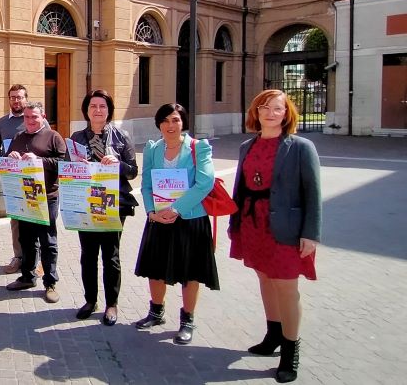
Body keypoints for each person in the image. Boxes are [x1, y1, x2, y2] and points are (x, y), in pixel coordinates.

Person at [229, 90, 321, 383]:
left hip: (286, 228)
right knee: (265, 279)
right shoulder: (247, 146)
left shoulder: (300, 147)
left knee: (286, 288)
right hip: (253, 223)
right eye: (264, 107)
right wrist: (235, 223)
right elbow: (240, 188)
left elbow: (313, 194)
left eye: (277, 108)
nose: (270, 113)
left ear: (286, 113)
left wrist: (310, 234)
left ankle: (290, 351)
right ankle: (273, 335)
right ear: (256, 112)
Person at [134, 103, 218, 345]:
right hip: (159, 219)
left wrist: (176, 209)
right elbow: (147, 182)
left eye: (175, 120)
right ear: (159, 124)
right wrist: (151, 211)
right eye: (165, 121)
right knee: (155, 268)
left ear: (183, 122)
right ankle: (156, 312)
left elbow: (205, 183)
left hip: (190, 219)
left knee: (190, 273)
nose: (170, 126)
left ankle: (187, 320)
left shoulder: (198, 147)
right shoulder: (152, 149)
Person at [69, 90, 139, 326]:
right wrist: (76, 165)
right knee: (88, 255)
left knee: (111, 256)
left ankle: (112, 304)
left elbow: (133, 171)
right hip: (86, 203)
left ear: (109, 110)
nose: (97, 110)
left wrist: (117, 164)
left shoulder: (121, 136)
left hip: (113, 205)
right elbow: (66, 168)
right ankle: (90, 300)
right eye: (93, 106)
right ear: (86, 110)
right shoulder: (77, 138)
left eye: (102, 106)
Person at [5, 101, 69, 303]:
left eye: (34, 117)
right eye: (27, 117)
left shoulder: (53, 137)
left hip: (46, 197)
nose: (30, 120)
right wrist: (11, 157)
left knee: (48, 241)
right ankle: (27, 276)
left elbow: (64, 164)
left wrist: (38, 160)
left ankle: (50, 282)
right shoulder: (18, 137)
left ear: (43, 117)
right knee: (26, 240)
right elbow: (6, 164)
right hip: (24, 197)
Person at [0, 84, 29, 274]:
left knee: (35, 220)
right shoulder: (1, 123)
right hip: (12, 179)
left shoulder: (35, 119)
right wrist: (2, 161)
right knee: (15, 220)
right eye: (13, 97)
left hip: (33, 179)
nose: (16, 100)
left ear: (26, 99)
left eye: (19, 97)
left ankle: (34, 259)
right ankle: (18, 257)